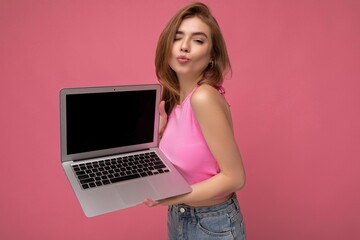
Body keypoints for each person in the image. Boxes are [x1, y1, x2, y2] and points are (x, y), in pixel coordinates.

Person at [143, 2, 246, 239]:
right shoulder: (175, 100)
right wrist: (158, 138)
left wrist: (171, 197)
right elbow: (189, 162)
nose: (185, 47)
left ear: (212, 56)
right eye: (178, 38)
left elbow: (235, 178)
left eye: (198, 40)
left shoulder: (203, 98)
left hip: (212, 223)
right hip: (180, 216)